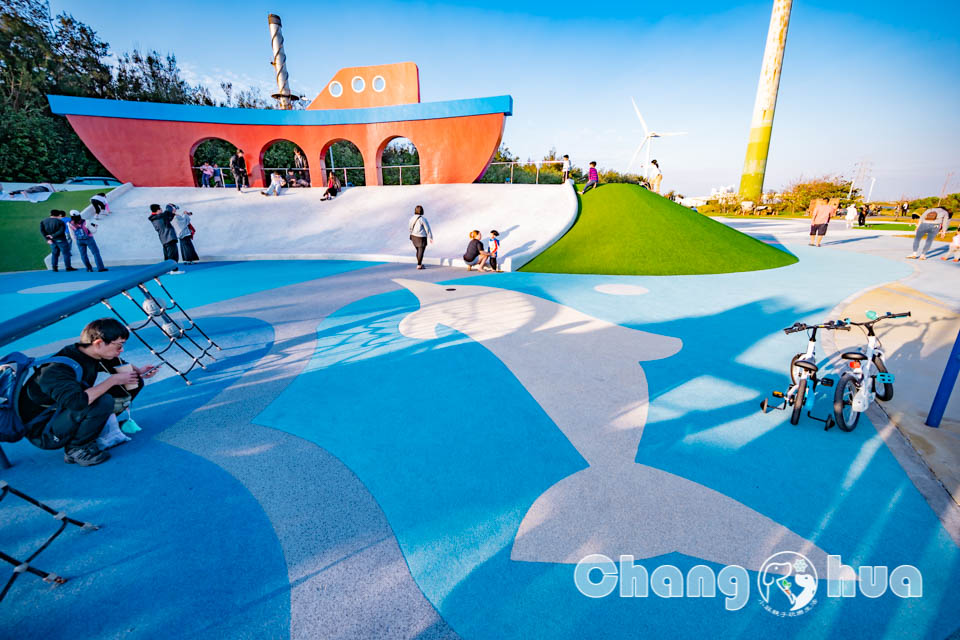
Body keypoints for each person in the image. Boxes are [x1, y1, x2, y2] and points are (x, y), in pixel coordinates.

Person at [18, 318, 158, 466]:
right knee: (102, 402)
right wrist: (112, 380)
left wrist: (139, 371)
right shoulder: (56, 370)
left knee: (132, 382)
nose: (121, 350)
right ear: (98, 343)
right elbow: (77, 402)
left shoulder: (89, 353)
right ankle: (76, 448)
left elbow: (117, 363)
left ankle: (96, 428)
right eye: (118, 346)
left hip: (62, 413)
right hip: (44, 431)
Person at [148, 204, 182, 273]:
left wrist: (172, 213)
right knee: (173, 255)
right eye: (160, 209)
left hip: (164, 239)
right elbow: (166, 216)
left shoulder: (155, 218)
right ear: (157, 210)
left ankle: (167, 270)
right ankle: (174, 270)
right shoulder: (161, 217)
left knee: (167, 256)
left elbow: (167, 219)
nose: (161, 210)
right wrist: (171, 211)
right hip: (169, 237)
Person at [408, 205, 433, 269]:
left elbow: (410, 227)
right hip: (421, 237)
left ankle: (420, 263)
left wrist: (411, 234)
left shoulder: (411, 218)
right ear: (422, 211)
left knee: (418, 250)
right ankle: (419, 265)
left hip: (414, 237)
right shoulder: (422, 219)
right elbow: (427, 228)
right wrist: (430, 237)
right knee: (421, 250)